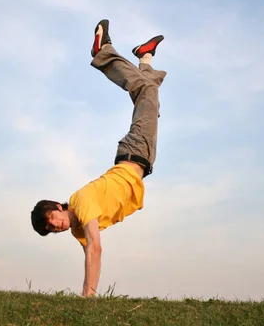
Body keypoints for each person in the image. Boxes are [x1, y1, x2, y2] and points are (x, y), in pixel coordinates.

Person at [30, 19, 167, 297]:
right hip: (143, 159)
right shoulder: (77, 229)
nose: (56, 226)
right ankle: (145, 56)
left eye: (52, 219)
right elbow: (89, 253)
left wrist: (87, 296)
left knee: (145, 93)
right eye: (52, 229)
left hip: (135, 151)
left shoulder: (80, 203)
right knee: (149, 92)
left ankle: (103, 52)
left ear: (58, 206)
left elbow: (96, 247)